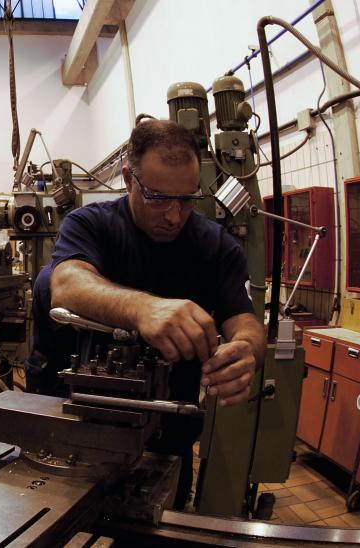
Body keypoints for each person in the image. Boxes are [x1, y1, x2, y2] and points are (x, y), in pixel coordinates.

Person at [39, 119, 262, 508]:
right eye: (158, 197)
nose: (174, 216)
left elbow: (246, 322)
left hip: (169, 429)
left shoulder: (215, 246)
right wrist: (144, 307)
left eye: (187, 199)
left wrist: (245, 352)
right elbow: (66, 283)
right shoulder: (91, 225)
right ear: (129, 179)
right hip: (80, 424)